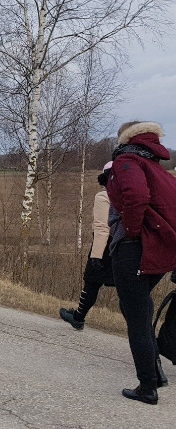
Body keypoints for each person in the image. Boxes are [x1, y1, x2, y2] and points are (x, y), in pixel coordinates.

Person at [107, 121, 176, 405]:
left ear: (126, 139)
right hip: (158, 252)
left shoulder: (127, 162)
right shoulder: (160, 171)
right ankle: (155, 372)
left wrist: (132, 233)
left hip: (134, 249)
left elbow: (135, 196)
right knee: (137, 306)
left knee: (136, 317)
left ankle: (147, 387)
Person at [60, 162, 116, 330]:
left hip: (106, 246)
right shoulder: (132, 195)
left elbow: (102, 227)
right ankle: (143, 331)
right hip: (128, 247)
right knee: (130, 290)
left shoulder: (104, 196)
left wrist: (96, 255)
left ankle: (78, 317)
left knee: (91, 282)